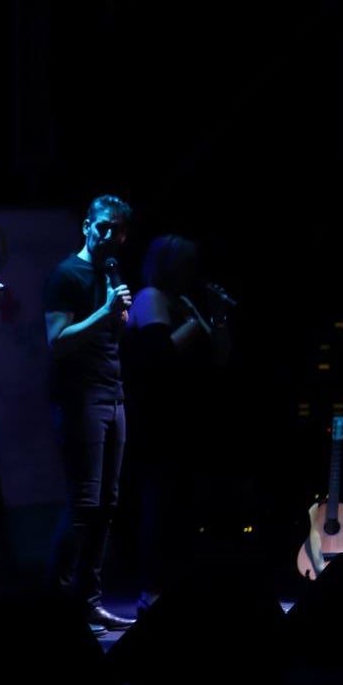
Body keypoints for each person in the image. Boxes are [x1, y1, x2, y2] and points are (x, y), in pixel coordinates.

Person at [121, 233, 232, 615]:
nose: (192, 271)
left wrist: (216, 315)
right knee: (161, 502)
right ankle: (153, 589)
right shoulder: (151, 297)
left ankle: (180, 585)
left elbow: (221, 357)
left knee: (182, 504)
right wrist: (196, 324)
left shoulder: (182, 301)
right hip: (159, 418)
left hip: (186, 417)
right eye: (186, 263)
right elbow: (159, 354)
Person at [43, 194, 137, 635]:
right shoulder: (67, 274)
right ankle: (58, 603)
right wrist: (104, 312)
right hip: (80, 399)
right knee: (84, 502)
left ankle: (89, 602)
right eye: (101, 226)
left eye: (115, 229)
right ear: (86, 225)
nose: (107, 235)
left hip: (113, 395)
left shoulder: (110, 273)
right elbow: (57, 340)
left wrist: (119, 317)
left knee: (107, 504)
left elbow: (112, 335)